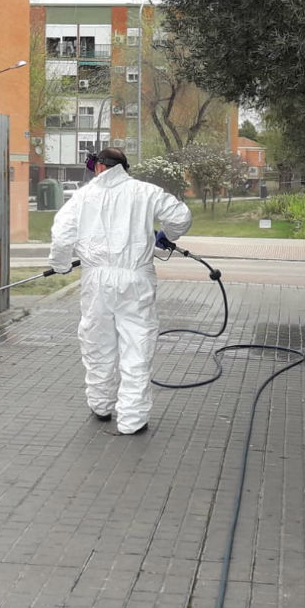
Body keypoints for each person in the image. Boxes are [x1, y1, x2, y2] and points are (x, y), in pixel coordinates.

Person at [48, 147, 193, 435]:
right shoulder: (146, 192)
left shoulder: (82, 196)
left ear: (100, 167)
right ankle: (132, 420)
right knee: (136, 346)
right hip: (136, 279)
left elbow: (62, 234)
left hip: (96, 280)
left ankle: (101, 405)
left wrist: (61, 265)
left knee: (97, 342)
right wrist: (167, 235)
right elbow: (181, 217)